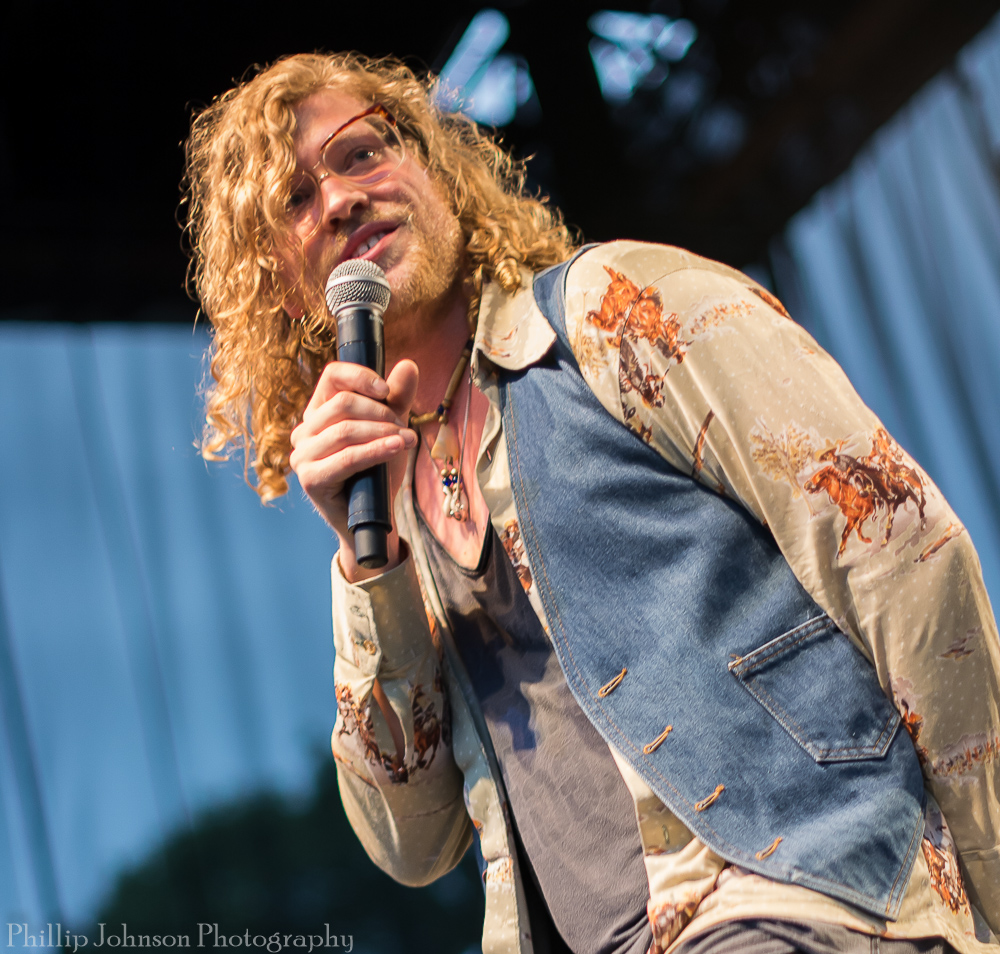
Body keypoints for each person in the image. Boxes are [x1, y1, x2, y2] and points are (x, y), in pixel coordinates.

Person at [183, 52, 1000, 954]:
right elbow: (413, 844)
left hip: (800, 900)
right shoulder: (387, 509)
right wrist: (363, 562)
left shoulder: (613, 311)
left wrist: (990, 887)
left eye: (361, 153)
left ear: (433, 165)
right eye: (295, 200)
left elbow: (898, 551)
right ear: (283, 285)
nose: (340, 198)